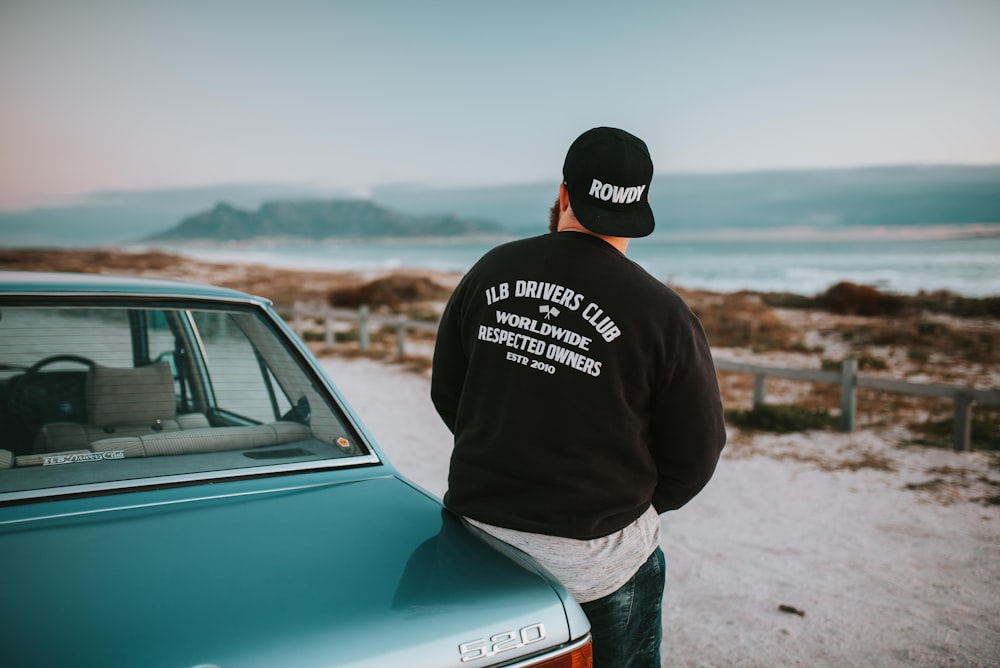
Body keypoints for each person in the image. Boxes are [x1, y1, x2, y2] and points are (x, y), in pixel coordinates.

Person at [431, 126, 726, 667]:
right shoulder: (663, 314)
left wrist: (505, 451)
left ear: (565, 193)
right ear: (639, 208)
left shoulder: (490, 270)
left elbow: (449, 393)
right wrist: (625, 502)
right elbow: (697, 453)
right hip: (597, 564)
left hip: (477, 543)